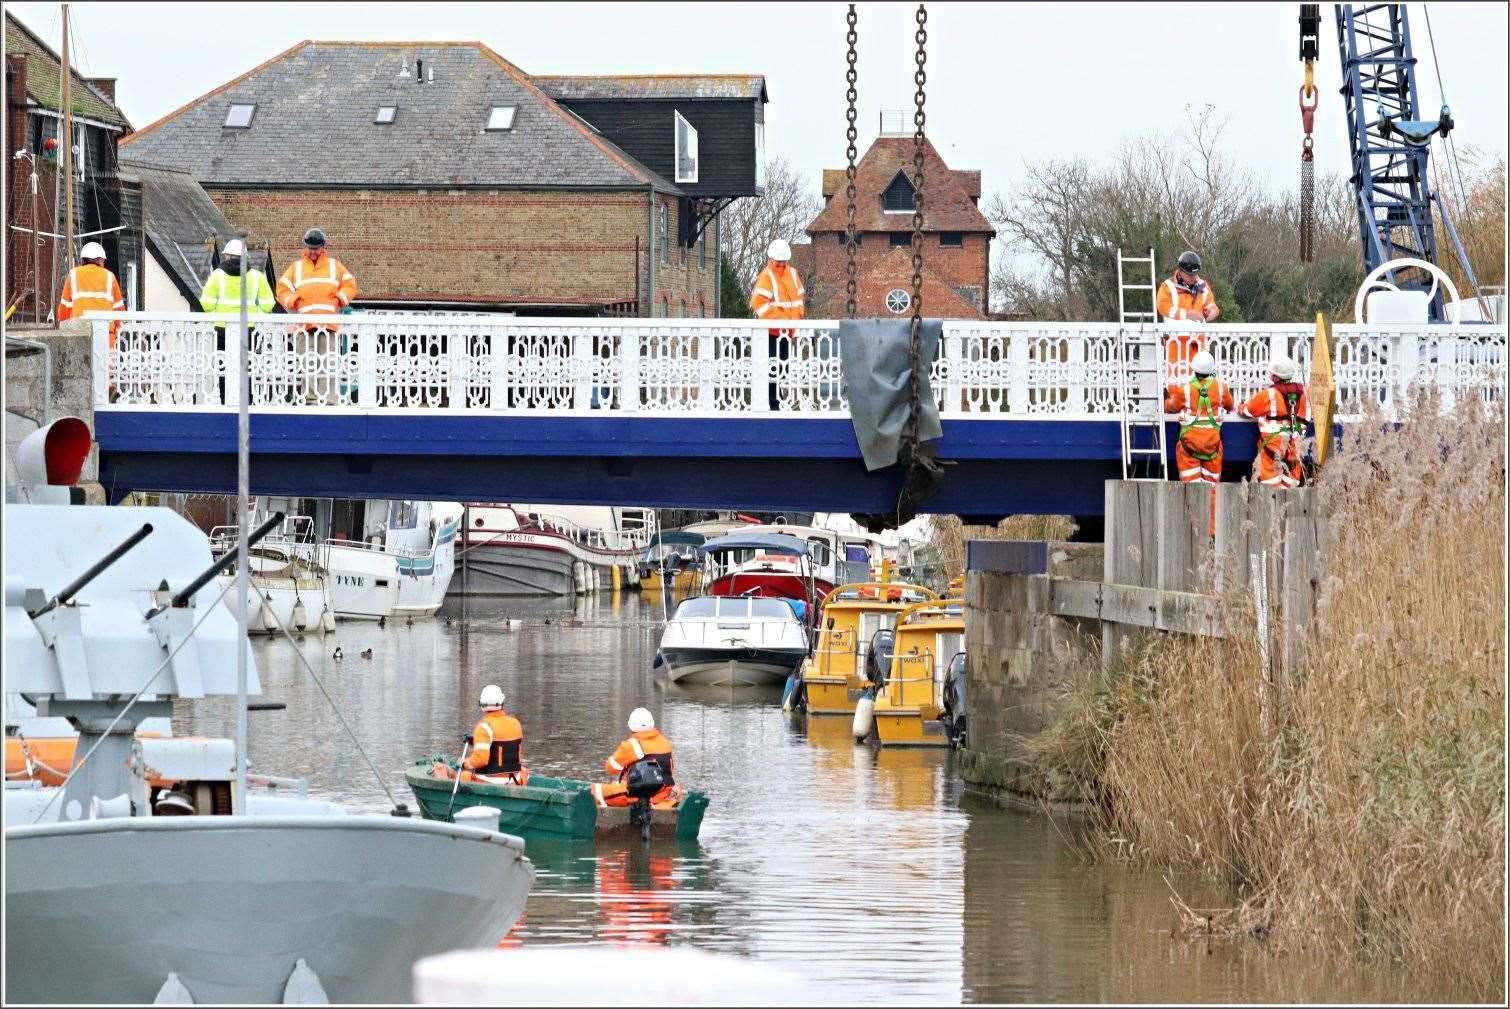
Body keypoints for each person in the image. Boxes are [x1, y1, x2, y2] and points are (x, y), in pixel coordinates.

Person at [277, 228, 358, 404]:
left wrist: (339, 299)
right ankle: (311, 398)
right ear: (305, 247)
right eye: (310, 248)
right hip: (305, 325)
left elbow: (350, 285)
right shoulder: (296, 267)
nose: (313, 252)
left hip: (328, 324)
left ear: (323, 247)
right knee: (307, 364)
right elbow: (282, 289)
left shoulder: (334, 266)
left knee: (328, 363)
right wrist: (293, 300)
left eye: (316, 248)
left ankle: (329, 398)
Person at [748, 239, 805, 410]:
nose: (781, 264)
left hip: (788, 331)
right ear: (771, 259)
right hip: (771, 332)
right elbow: (758, 304)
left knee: (783, 367)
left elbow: (799, 300)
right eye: (778, 261)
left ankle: (779, 400)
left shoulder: (793, 274)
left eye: (783, 261)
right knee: (771, 367)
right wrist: (781, 319)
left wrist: (795, 321)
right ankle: (773, 403)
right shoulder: (766, 275)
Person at [1163, 350, 1234, 485]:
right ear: (1212, 369)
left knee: (1191, 490)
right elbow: (1230, 406)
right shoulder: (1221, 387)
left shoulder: (1185, 389)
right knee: (1211, 489)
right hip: (1213, 447)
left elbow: (1171, 407)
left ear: (1194, 369)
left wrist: (1165, 399)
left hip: (1189, 447)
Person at [1241, 355, 1311, 489]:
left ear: (1275, 376)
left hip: (1272, 447)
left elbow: (1248, 411)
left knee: (1270, 488)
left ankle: (1273, 509)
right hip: (1294, 446)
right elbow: (1306, 417)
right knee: (1291, 490)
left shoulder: (1268, 394)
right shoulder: (1304, 392)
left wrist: (1240, 407)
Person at [591, 707, 675, 809]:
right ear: (652, 724)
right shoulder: (665, 742)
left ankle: (603, 818)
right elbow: (670, 769)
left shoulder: (631, 745)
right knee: (622, 784)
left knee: (594, 791)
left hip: (642, 795)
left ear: (631, 726)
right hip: (665, 792)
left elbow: (610, 769)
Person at [1157, 250, 1219, 368]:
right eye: (1189, 275)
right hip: (1176, 343)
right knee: (1177, 382)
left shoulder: (1203, 286)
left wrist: (1213, 311)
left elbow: (1211, 305)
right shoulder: (1168, 286)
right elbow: (1163, 307)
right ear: (1180, 271)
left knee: (1200, 381)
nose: (1193, 277)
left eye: (1195, 274)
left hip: (1199, 344)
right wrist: (1187, 314)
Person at [58, 241, 126, 348]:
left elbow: (64, 309)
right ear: (99, 259)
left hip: (80, 333)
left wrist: (63, 326)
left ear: (83, 259)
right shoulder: (109, 276)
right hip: (105, 334)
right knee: (105, 363)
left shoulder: (73, 274)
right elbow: (119, 310)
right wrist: (119, 328)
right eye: (103, 260)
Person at [464, 684, 529, 785]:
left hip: (490, 781)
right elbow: (506, 749)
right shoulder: (516, 723)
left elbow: (481, 760)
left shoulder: (483, 727)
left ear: (481, 704)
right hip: (514, 780)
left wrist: (465, 763)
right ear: (502, 702)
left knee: (463, 774)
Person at [200, 238, 276, 316]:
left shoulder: (217, 275)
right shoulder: (257, 276)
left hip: (223, 325)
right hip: (248, 325)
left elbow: (206, 304)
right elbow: (268, 305)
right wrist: (256, 316)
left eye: (225, 255)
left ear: (228, 256)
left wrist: (217, 316)